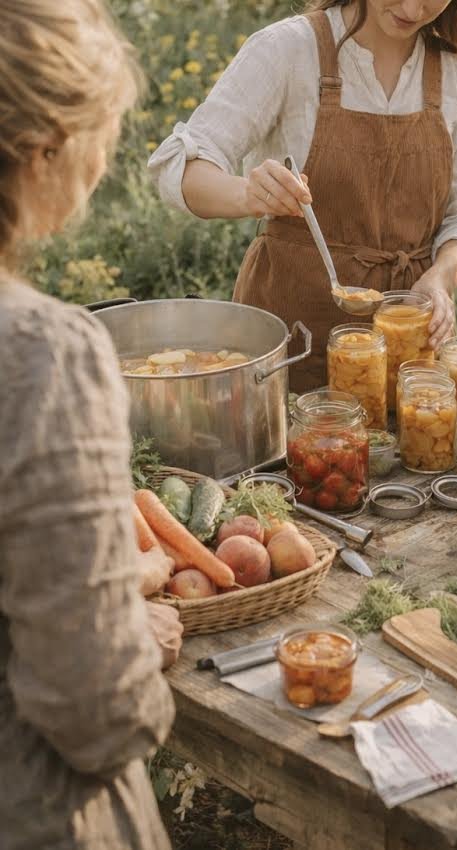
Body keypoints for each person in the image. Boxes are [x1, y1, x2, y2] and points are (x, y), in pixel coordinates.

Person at [0, 2, 182, 848]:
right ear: (45, 151)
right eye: (102, 137)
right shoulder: (43, 354)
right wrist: (124, 647)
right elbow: (98, 715)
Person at [149, 0, 457, 390]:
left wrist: (441, 277)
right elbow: (179, 165)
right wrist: (247, 193)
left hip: (410, 348)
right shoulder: (288, 50)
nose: (411, 7)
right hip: (288, 340)